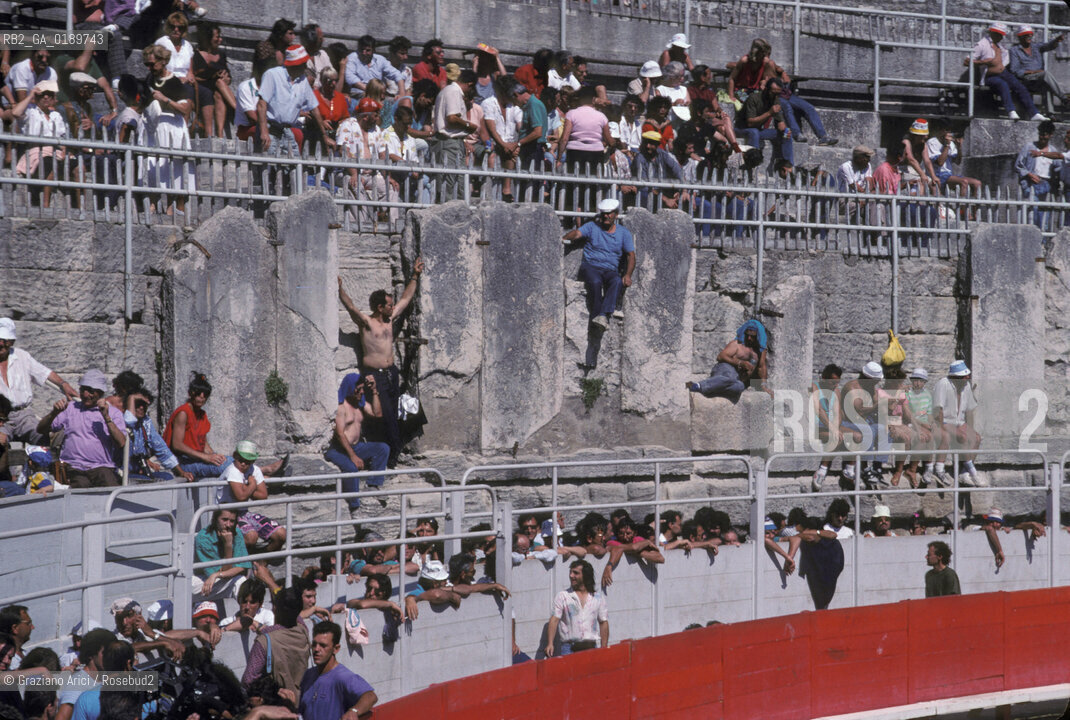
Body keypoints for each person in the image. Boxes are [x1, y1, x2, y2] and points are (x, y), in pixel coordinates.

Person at [337, 257, 424, 468]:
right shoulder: (367, 323)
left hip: (391, 372)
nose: (392, 306)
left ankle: (398, 447)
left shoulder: (390, 318)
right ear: (379, 307)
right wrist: (339, 290)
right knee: (384, 414)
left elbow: (406, 298)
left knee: (408, 409)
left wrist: (415, 275)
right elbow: (351, 308)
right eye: (388, 304)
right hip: (373, 373)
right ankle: (391, 455)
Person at [0, 317, 78, 454]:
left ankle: (47, 473)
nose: (1, 344)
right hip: (1, 417)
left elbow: (44, 373)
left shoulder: (22, 356)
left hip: (24, 415)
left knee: (45, 439)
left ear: (12, 342)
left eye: (5, 340)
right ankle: (8, 474)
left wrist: (63, 384)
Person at [37, 369, 126, 488]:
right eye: (83, 389)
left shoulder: (113, 413)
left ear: (100, 392)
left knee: (110, 487)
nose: (85, 394)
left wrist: (106, 417)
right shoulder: (71, 408)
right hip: (74, 467)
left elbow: (121, 442)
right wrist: (54, 413)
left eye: (91, 391)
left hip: (101, 466)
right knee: (80, 488)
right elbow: (41, 429)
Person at [562, 197, 635, 335]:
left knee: (617, 281)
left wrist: (628, 275)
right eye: (604, 213)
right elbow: (577, 233)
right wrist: (565, 238)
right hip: (591, 266)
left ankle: (603, 315)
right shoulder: (592, 226)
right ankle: (597, 316)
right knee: (595, 282)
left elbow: (631, 255)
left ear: (616, 214)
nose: (607, 216)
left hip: (610, 269)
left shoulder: (623, 233)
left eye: (610, 213)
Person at [139, 44, 195, 217]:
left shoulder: (174, 82)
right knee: (152, 164)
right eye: (147, 64)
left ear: (163, 62)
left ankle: (173, 206)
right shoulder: (149, 79)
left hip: (171, 126)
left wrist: (165, 99)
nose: (149, 68)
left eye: (152, 64)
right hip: (153, 126)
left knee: (173, 166)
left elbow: (186, 109)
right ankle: (153, 204)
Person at [323, 373, 390, 511]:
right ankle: (354, 506)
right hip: (339, 450)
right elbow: (340, 434)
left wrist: (374, 390)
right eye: (358, 389)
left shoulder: (360, 403)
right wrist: (353, 456)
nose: (361, 392)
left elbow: (377, 414)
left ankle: (373, 485)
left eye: (362, 389)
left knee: (383, 448)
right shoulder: (341, 407)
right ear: (349, 388)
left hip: (356, 446)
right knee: (351, 469)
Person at [257, 44, 335, 157]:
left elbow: (314, 108)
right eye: (303, 64)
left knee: (292, 167)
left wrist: (324, 135)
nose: (305, 66)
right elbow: (261, 104)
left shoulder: (302, 81)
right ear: (295, 64)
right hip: (271, 129)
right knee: (269, 165)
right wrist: (264, 131)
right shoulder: (272, 75)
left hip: (287, 131)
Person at [241, 586, 309, 707]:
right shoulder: (303, 630)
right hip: (301, 702)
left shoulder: (265, 642)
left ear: (275, 608)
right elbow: (294, 613)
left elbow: (248, 680)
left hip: (277, 706)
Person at [216, 440, 288, 553]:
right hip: (227, 514)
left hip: (244, 513)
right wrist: (253, 484)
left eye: (248, 461)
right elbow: (241, 497)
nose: (244, 464)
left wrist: (245, 489)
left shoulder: (255, 470)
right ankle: (240, 562)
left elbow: (263, 495)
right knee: (251, 536)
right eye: (241, 460)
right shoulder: (232, 471)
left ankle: (259, 561)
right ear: (235, 456)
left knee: (281, 534)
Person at [967, 21, 1046, 121]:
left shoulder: (1000, 45)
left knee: (1019, 86)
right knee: (1002, 84)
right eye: (997, 34)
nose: (999, 36)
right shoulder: (981, 44)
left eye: (1001, 34)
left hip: (1003, 73)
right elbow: (967, 61)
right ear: (991, 32)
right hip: (989, 76)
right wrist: (983, 62)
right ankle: (1011, 111)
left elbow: (1004, 59)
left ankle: (1034, 113)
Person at [298, 622, 377, 720]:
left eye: (323, 645)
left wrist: (354, 711)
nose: (316, 649)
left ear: (336, 649)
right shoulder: (308, 675)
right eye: (314, 644)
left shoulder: (343, 677)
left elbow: (370, 696)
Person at [687, 319, 769, 403]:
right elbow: (720, 356)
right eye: (747, 334)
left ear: (758, 336)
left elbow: (762, 367)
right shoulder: (737, 344)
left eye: (752, 336)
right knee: (729, 377)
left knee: (740, 387)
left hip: (738, 379)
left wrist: (763, 386)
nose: (749, 338)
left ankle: (712, 388)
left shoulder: (760, 351)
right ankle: (698, 385)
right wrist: (740, 363)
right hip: (726, 369)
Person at [123, 386, 193, 482]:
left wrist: (181, 472)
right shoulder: (121, 420)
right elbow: (129, 422)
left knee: (167, 477)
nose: (141, 408)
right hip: (122, 472)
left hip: (137, 470)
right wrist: (131, 397)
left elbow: (161, 448)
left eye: (144, 405)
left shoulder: (145, 423)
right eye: (138, 404)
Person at [932, 360, 984, 486]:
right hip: (945, 420)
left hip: (959, 421)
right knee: (962, 437)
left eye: (967, 375)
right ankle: (973, 472)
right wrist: (942, 428)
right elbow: (937, 409)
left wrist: (970, 429)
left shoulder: (966, 386)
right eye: (963, 376)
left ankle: (964, 472)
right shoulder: (943, 384)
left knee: (976, 438)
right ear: (954, 377)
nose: (967, 378)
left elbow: (969, 411)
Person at [545, 560, 608, 657]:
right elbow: (554, 619)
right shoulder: (563, 596)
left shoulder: (597, 598)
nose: (571, 575)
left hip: (591, 647)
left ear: (585, 575)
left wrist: (604, 647)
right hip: (569, 648)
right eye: (570, 572)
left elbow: (603, 622)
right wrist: (550, 643)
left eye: (576, 573)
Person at [431, 68, 477, 200]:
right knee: (449, 185)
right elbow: (452, 118)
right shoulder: (453, 91)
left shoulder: (452, 91)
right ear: (470, 84)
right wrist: (469, 126)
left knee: (459, 182)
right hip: (448, 142)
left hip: (455, 142)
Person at [735, 77, 794, 177]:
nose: (775, 95)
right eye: (773, 92)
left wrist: (785, 130)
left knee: (786, 134)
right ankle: (752, 166)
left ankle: (787, 166)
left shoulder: (775, 100)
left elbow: (780, 123)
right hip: (741, 128)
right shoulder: (754, 98)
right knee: (754, 132)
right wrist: (769, 113)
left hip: (759, 130)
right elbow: (750, 123)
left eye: (777, 93)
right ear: (766, 89)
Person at [193, 508, 252, 601]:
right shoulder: (203, 538)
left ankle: (251, 614)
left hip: (221, 577)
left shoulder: (237, 533)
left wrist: (217, 574)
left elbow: (242, 567)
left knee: (241, 582)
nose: (228, 525)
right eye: (224, 520)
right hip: (205, 579)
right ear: (216, 520)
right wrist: (228, 545)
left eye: (232, 521)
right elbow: (223, 571)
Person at [1008, 25, 1068, 114]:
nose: (1029, 37)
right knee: (1045, 74)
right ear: (1020, 37)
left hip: (1038, 79)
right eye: (1026, 35)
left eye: (1030, 35)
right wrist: (1034, 72)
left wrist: (1056, 41)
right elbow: (1015, 70)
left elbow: (1049, 46)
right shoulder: (1014, 50)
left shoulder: (1036, 47)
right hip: (1026, 79)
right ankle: (1064, 98)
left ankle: (1050, 114)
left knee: (1047, 84)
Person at [191, 21, 235, 138]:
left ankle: (220, 134)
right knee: (218, 83)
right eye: (217, 37)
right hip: (202, 88)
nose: (220, 40)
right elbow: (193, 75)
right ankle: (237, 108)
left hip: (218, 90)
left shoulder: (221, 54)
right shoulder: (195, 55)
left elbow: (228, 76)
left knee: (219, 91)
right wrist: (212, 77)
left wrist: (227, 79)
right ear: (208, 38)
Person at [1015, 119, 1058, 229]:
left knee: (1045, 214)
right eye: (1040, 134)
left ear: (1050, 135)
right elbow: (1018, 165)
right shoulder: (1029, 147)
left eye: (1045, 135)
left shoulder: (1053, 151)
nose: (1042, 137)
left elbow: (1058, 168)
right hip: (1031, 183)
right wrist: (1029, 174)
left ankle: (1043, 242)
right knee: (1032, 213)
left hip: (1046, 184)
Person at [926, 120, 981, 198]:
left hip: (948, 175)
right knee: (963, 182)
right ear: (940, 130)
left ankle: (974, 210)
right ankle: (962, 209)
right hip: (938, 175)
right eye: (946, 130)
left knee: (977, 183)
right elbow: (940, 162)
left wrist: (959, 147)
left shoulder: (951, 144)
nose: (949, 133)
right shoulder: (932, 142)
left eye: (950, 130)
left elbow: (957, 161)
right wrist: (946, 145)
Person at [345, 34, 405, 100]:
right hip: (358, 94)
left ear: (373, 50)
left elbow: (397, 74)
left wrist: (402, 93)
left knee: (406, 100)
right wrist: (371, 90)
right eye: (361, 49)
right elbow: (350, 77)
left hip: (378, 94)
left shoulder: (380, 60)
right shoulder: (352, 58)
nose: (364, 53)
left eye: (368, 50)